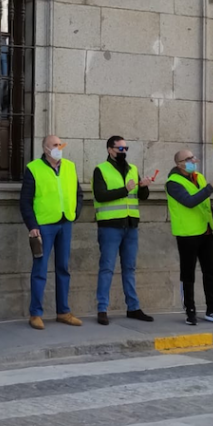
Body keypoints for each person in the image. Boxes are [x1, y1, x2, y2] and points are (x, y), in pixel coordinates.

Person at [21, 135, 83, 330]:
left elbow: (78, 192)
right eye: (54, 145)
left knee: (63, 267)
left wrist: (75, 213)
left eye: (60, 144)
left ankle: (63, 311)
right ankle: (36, 314)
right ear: (45, 148)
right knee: (40, 269)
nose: (58, 147)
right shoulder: (34, 168)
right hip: (44, 225)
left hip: (65, 223)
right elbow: (25, 201)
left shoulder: (70, 166)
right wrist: (32, 226)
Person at [92, 136, 153, 325]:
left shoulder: (132, 169)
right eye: (120, 148)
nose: (124, 151)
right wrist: (125, 190)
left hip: (131, 225)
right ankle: (102, 309)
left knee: (130, 268)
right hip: (110, 226)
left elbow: (140, 197)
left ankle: (133, 307)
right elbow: (100, 196)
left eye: (126, 148)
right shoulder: (100, 169)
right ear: (110, 149)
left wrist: (143, 187)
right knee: (107, 268)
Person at [165, 150, 213, 326]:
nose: (193, 160)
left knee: (210, 272)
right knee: (188, 274)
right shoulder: (173, 183)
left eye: (193, 157)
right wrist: (210, 188)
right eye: (188, 159)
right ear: (179, 164)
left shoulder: (198, 176)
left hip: (205, 231)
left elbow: (206, 205)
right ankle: (190, 310)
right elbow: (190, 201)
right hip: (187, 234)